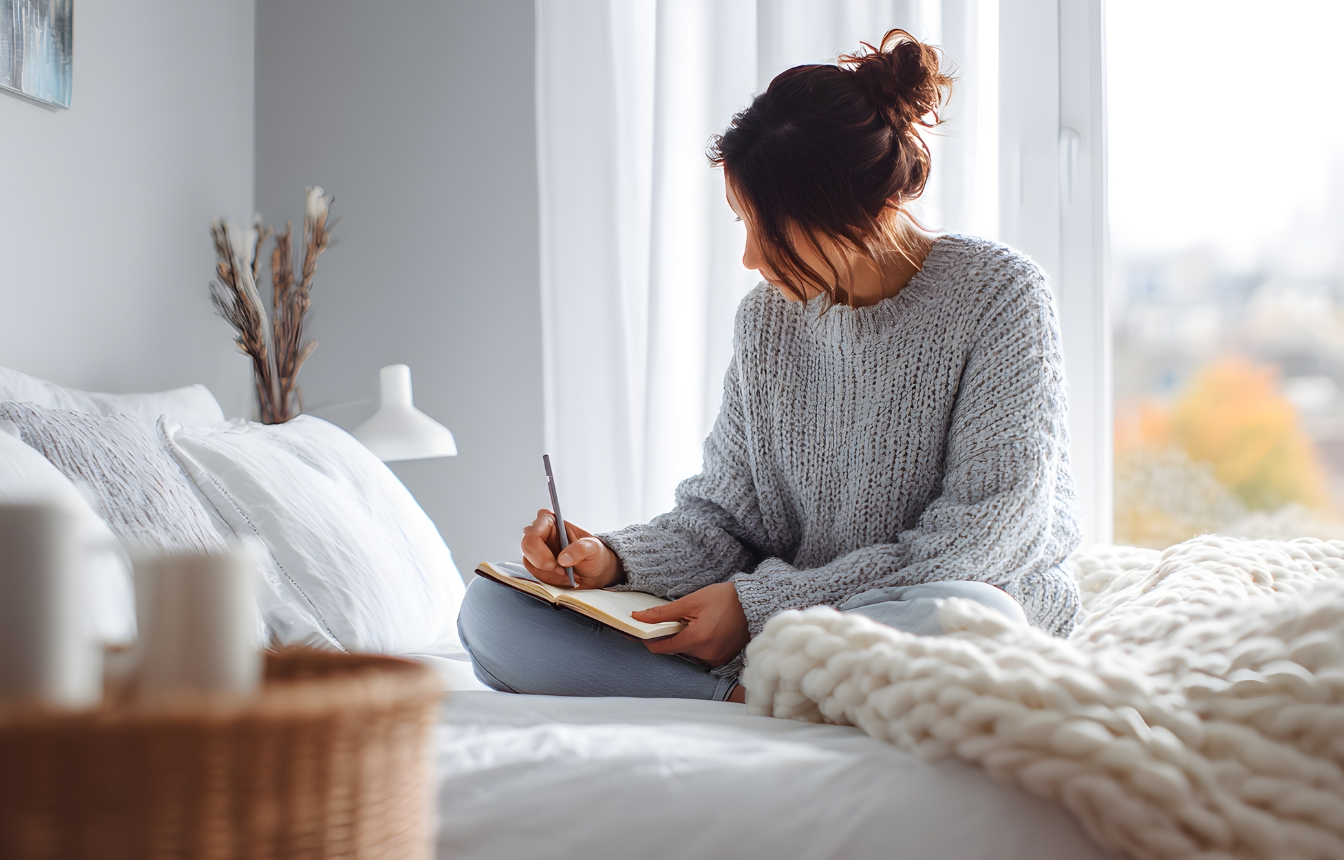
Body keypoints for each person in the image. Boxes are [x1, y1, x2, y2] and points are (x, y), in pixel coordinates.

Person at [459, 30, 1082, 704]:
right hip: (798, 622)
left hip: (939, 601)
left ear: (863, 209)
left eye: (772, 232)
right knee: (492, 613)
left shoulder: (1000, 294)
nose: (753, 260)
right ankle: (756, 694)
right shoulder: (765, 321)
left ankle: (753, 683)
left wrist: (759, 609)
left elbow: (977, 544)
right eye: (742, 225)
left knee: (969, 614)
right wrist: (610, 560)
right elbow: (723, 522)